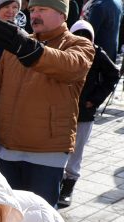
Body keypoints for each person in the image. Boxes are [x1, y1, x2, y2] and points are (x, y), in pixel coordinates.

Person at [0, 0, 93, 207]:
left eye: (42, 9)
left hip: (46, 154)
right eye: (31, 10)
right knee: (8, 220)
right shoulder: (19, 43)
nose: (34, 15)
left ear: (62, 14)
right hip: (8, 150)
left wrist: (32, 50)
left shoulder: (78, 44)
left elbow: (70, 66)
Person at [58, 20, 119, 208]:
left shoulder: (97, 53)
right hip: (62, 108)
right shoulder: (64, 50)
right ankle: (56, 181)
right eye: (79, 36)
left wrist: (95, 99)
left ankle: (68, 185)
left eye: (87, 37)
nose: (83, 40)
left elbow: (113, 75)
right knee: (58, 147)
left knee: (77, 150)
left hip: (84, 111)